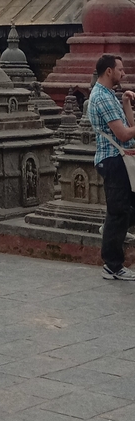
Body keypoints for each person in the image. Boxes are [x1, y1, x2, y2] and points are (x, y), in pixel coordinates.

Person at [88, 53, 135, 280]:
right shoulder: (102, 97)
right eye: (120, 69)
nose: (123, 73)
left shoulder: (109, 95)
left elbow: (129, 126)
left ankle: (111, 230)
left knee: (123, 209)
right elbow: (124, 134)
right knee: (118, 212)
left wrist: (126, 103)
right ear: (109, 71)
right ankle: (113, 266)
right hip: (113, 160)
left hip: (119, 158)